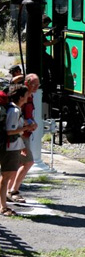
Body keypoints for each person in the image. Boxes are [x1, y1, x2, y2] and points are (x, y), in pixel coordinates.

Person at [7, 74, 40, 203]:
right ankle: (12, 191)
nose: (37, 87)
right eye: (34, 84)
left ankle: (9, 190)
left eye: (38, 85)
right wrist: (27, 124)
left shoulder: (30, 97)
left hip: (24, 134)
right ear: (27, 83)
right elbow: (17, 117)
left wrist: (33, 122)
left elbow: (27, 115)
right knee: (28, 162)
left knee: (19, 164)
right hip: (20, 134)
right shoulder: (22, 96)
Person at [2, 85, 31, 216]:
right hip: (10, 148)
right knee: (5, 177)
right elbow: (9, 131)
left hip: (12, 146)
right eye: (26, 95)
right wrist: (25, 128)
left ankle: (3, 205)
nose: (28, 97)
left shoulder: (14, 109)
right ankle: (3, 207)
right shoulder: (14, 111)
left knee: (6, 176)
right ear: (20, 97)